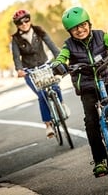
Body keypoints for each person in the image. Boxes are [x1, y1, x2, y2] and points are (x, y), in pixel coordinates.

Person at [52, 6, 108, 177]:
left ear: (89, 24)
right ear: (69, 31)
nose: (80, 30)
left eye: (83, 25)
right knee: (91, 121)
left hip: (107, 77)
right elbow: (61, 57)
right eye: (75, 28)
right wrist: (59, 65)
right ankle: (100, 160)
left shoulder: (100, 35)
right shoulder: (68, 46)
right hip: (87, 86)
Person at [11, 9, 68, 138]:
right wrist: (19, 70)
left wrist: (60, 59)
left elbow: (52, 46)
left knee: (55, 86)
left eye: (26, 20)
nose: (24, 24)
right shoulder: (15, 39)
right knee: (42, 95)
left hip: (45, 65)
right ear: (17, 25)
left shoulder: (39, 31)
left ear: (30, 20)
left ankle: (61, 103)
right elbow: (16, 57)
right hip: (30, 71)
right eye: (20, 22)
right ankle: (48, 125)